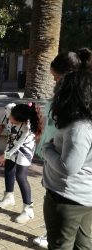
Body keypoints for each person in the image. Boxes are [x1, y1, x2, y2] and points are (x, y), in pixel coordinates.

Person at [32, 51, 83, 249]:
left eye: (56, 78)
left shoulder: (68, 110)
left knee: (60, 240)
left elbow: (66, 164)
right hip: (78, 190)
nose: (54, 83)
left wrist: (43, 145)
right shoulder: (75, 107)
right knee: (82, 241)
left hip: (66, 190)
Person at [41, 70, 92, 249]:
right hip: (82, 197)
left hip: (67, 198)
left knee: (60, 245)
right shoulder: (83, 123)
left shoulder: (78, 128)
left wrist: (46, 148)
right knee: (83, 245)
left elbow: (67, 167)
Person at [0, 103, 43, 224]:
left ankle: (28, 209)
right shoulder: (11, 109)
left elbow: (17, 145)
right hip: (11, 146)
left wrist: (4, 156)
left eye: (14, 121)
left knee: (21, 176)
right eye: (11, 117)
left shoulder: (26, 128)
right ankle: (8, 197)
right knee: (8, 169)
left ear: (22, 121)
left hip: (24, 150)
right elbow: (6, 116)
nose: (10, 119)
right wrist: (2, 126)